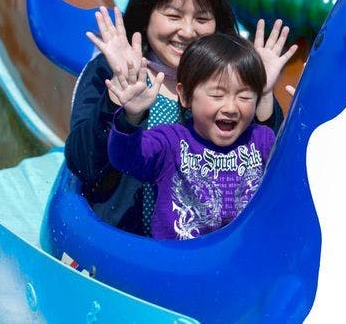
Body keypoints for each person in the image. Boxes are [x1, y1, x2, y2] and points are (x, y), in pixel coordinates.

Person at [64, 0, 296, 235]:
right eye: (173, 15)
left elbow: (263, 163)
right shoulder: (110, 69)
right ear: (146, 15)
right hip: (121, 239)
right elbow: (84, 165)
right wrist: (120, 99)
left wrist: (260, 91)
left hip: (198, 250)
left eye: (202, 18)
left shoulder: (230, 77)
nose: (187, 31)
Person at [107, 33, 275, 239]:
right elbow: (124, 158)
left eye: (244, 96)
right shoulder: (171, 142)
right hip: (179, 262)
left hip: (238, 260)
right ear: (185, 95)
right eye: (217, 95)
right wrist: (131, 117)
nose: (231, 107)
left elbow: (293, 176)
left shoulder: (262, 140)